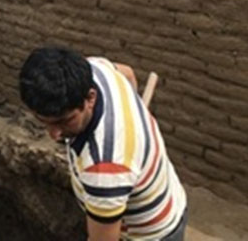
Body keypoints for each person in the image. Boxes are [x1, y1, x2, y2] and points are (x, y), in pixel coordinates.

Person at [19, 47, 187, 241]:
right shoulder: (96, 69)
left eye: (63, 121)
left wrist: (122, 138)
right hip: (165, 196)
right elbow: (128, 73)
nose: (54, 134)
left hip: (151, 234)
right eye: (44, 121)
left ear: (90, 98)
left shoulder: (105, 170)